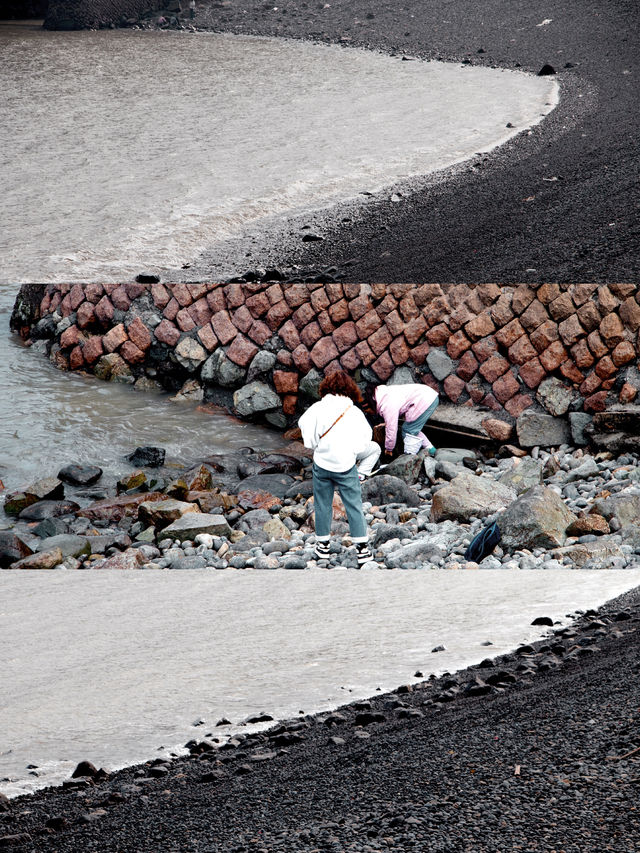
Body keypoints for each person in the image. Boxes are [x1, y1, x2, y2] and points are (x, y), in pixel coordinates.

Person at [298, 371, 380, 566]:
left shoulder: (317, 408)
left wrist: (316, 444)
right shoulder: (353, 412)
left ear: (326, 387)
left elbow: (305, 429)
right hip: (345, 465)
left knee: (323, 505)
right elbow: (365, 438)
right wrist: (351, 452)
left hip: (322, 464)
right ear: (349, 389)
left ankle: (323, 548)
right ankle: (362, 550)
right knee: (353, 505)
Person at [373, 382, 439, 458]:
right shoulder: (382, 394)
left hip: (426, 400)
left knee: (408, 431)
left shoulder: (387, 405)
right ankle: (432, 451)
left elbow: (391, 429)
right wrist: (386, 422)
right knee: (412, 429)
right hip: (428, 395)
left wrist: (389, 449)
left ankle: (411, 458)